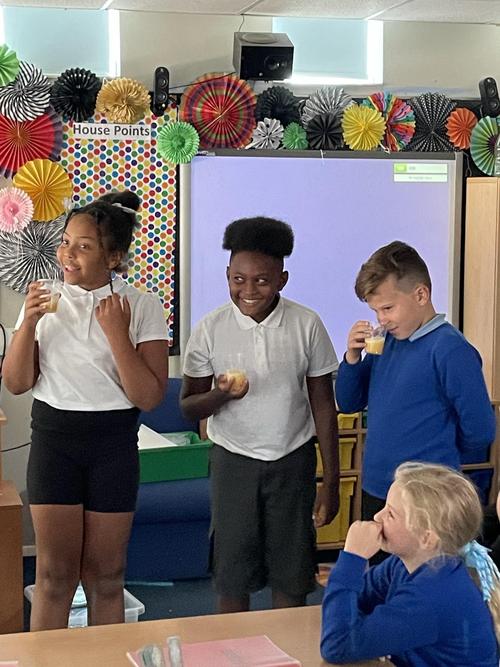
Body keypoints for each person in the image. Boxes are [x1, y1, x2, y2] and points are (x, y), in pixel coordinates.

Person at [2, 190, 169, 631]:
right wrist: (29, 323)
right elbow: (16, 382)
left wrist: (116, 333)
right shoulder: (44, 299)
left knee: (107, 576)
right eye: (66, 242)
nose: (68, 254)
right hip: (55, 442)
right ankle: (47, 660)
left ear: (113, 258)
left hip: (113, 446)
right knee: (54, 577)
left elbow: (149, 397)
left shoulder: (142, 306)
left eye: (83, 246)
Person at [180, 216, 339, 613]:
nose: (248, 291)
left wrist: (332, 481)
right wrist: (221, 395)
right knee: (232, 576)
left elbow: (323, 405)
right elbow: (188, 406)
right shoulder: (210, 328)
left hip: (292, 461)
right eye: (238, 279)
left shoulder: (307, 324)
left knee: (292, 574)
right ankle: (233, 645)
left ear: (282, 280)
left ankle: (288, 644)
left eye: (262, 281)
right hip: (233, 462)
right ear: (227, 276)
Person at [336, 241, 496, 525]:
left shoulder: (451, 349)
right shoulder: (386, 341)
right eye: (376, 311)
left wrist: (440, 461)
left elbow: (480, 430)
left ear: (421, 295)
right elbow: (349, 403)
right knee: (376, 556)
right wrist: (351, 357)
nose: (382, 319)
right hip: (377, 488)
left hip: (427, 498)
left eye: (388, 308)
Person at [321, 462, 500, 666]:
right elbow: (350, 606)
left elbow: (337, 645)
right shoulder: (403, 565)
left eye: (390, 514)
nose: (377, 517)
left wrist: (353, 558)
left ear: (427, 538)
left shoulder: (434, 595)